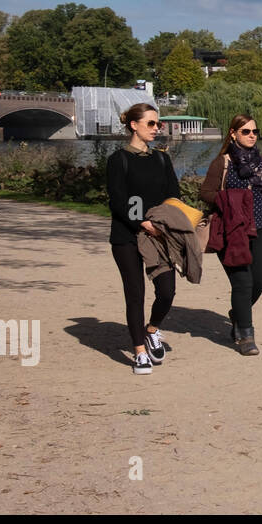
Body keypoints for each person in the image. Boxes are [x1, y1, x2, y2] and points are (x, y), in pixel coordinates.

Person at [201, 114, 262, 355]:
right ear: (233, 133)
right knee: (242, 282)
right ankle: (245, 337)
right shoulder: (223, 163)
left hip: (259, 229)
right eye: (246, 131)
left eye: (254, 131)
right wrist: (228, 198)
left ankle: (237, 314)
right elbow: (206, 192)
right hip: (231, 232)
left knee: (259, 283)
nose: (252, 135)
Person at [107, 103, 180, 375]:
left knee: (167, 291)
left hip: (158, 237)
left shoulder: (162, 159)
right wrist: (142, 221)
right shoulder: (119, 160)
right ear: (133, 125)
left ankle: (152, 330)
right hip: (126, 237)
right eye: (150, 123)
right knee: (135, 294)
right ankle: (139, 352)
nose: (156, 128)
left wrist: (166, 221)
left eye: (157, 123)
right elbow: (118, 199)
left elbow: (174, 195)